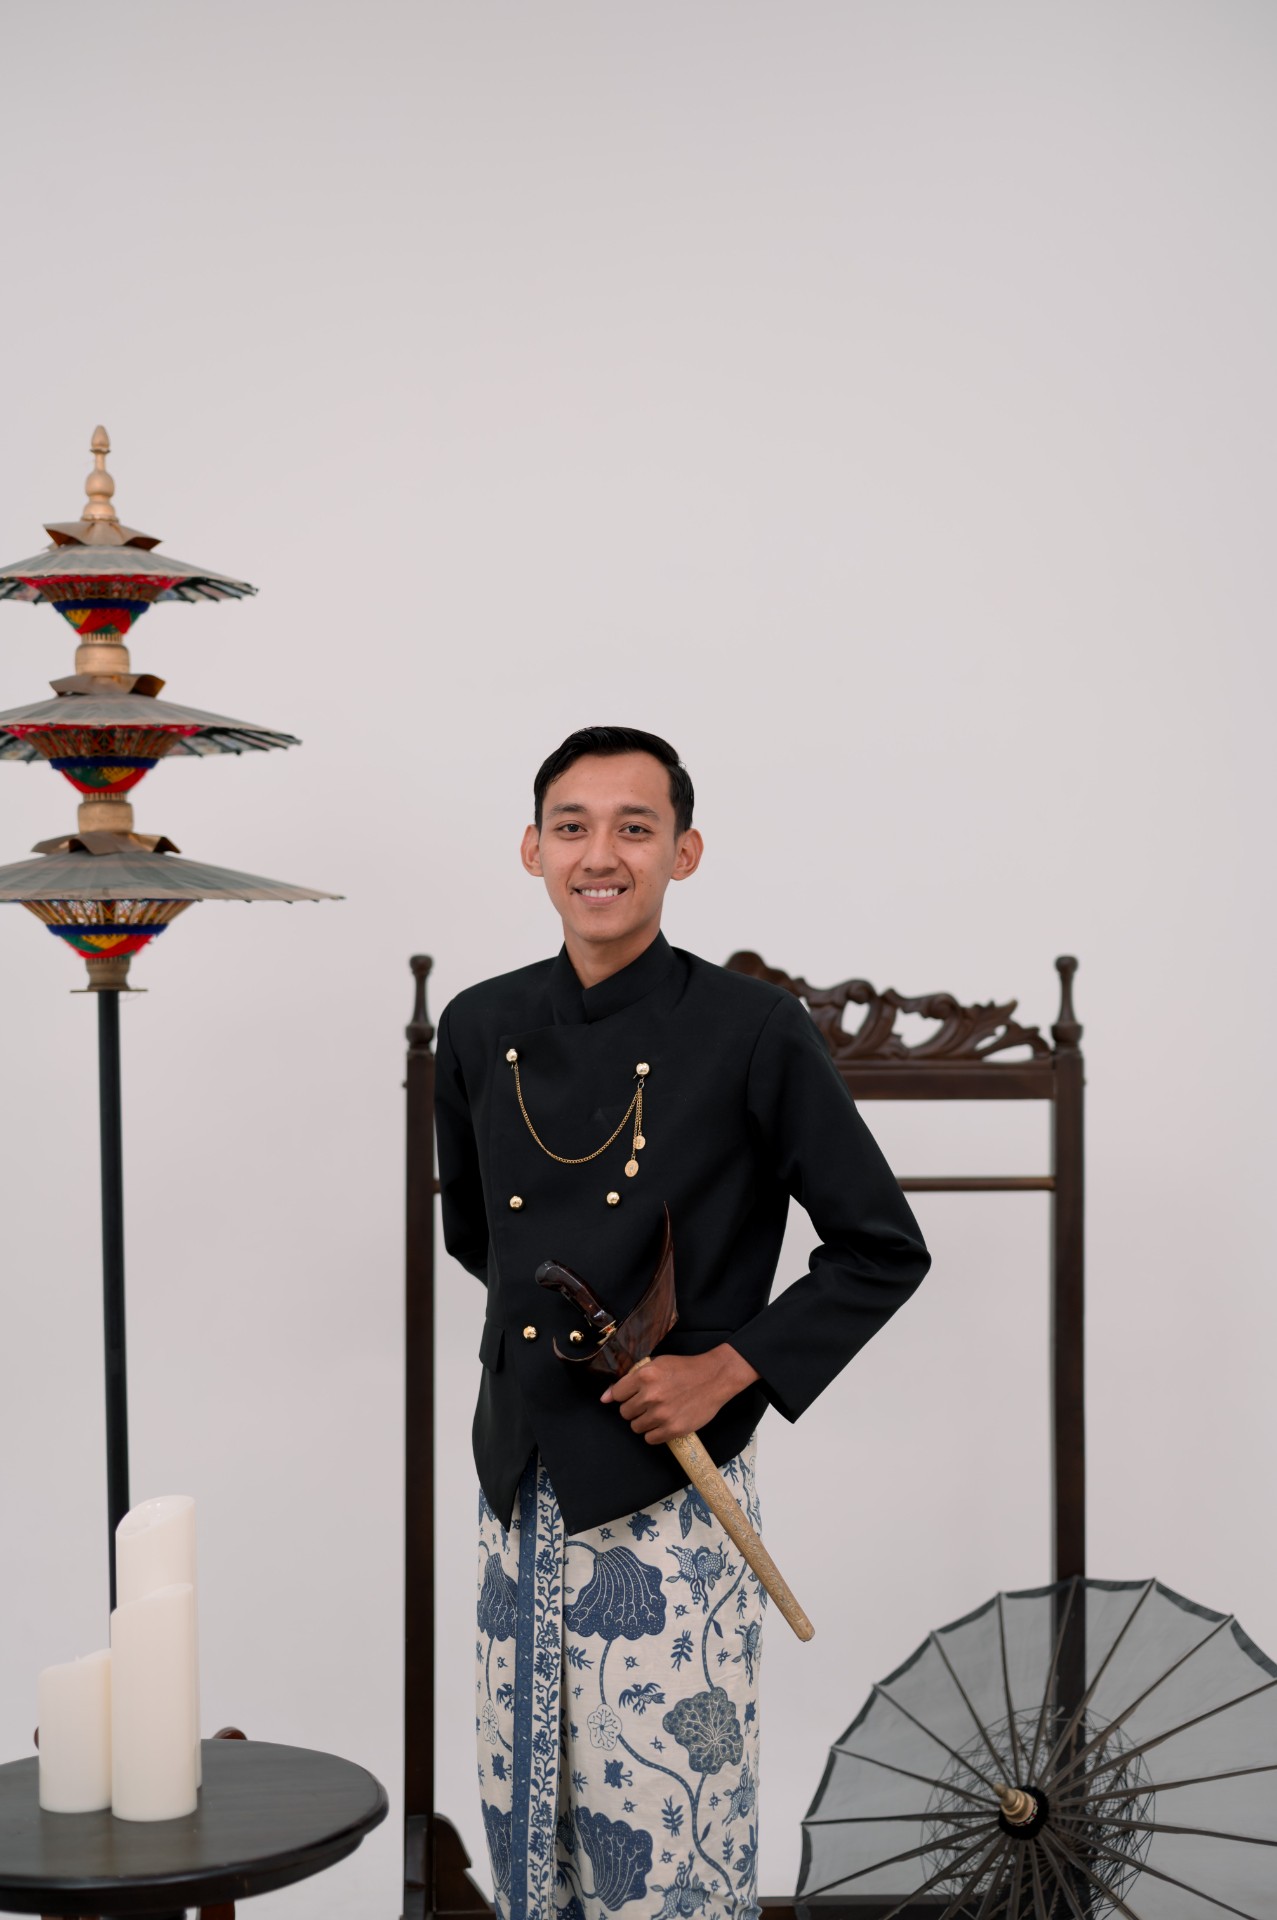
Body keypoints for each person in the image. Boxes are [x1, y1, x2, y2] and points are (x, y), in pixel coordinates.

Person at [435, 726, 930, 1920]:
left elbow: (880, 1246)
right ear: (531, 849)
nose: (598, 855)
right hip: (517, 1485)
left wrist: (724, 1367)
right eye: (571, 827)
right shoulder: (476, 1023)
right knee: (524, 1835)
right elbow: (478, 1239)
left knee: (668, 1847)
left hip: (668, 1495)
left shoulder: (752, 1028)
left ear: (683, 852)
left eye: (634, 828)